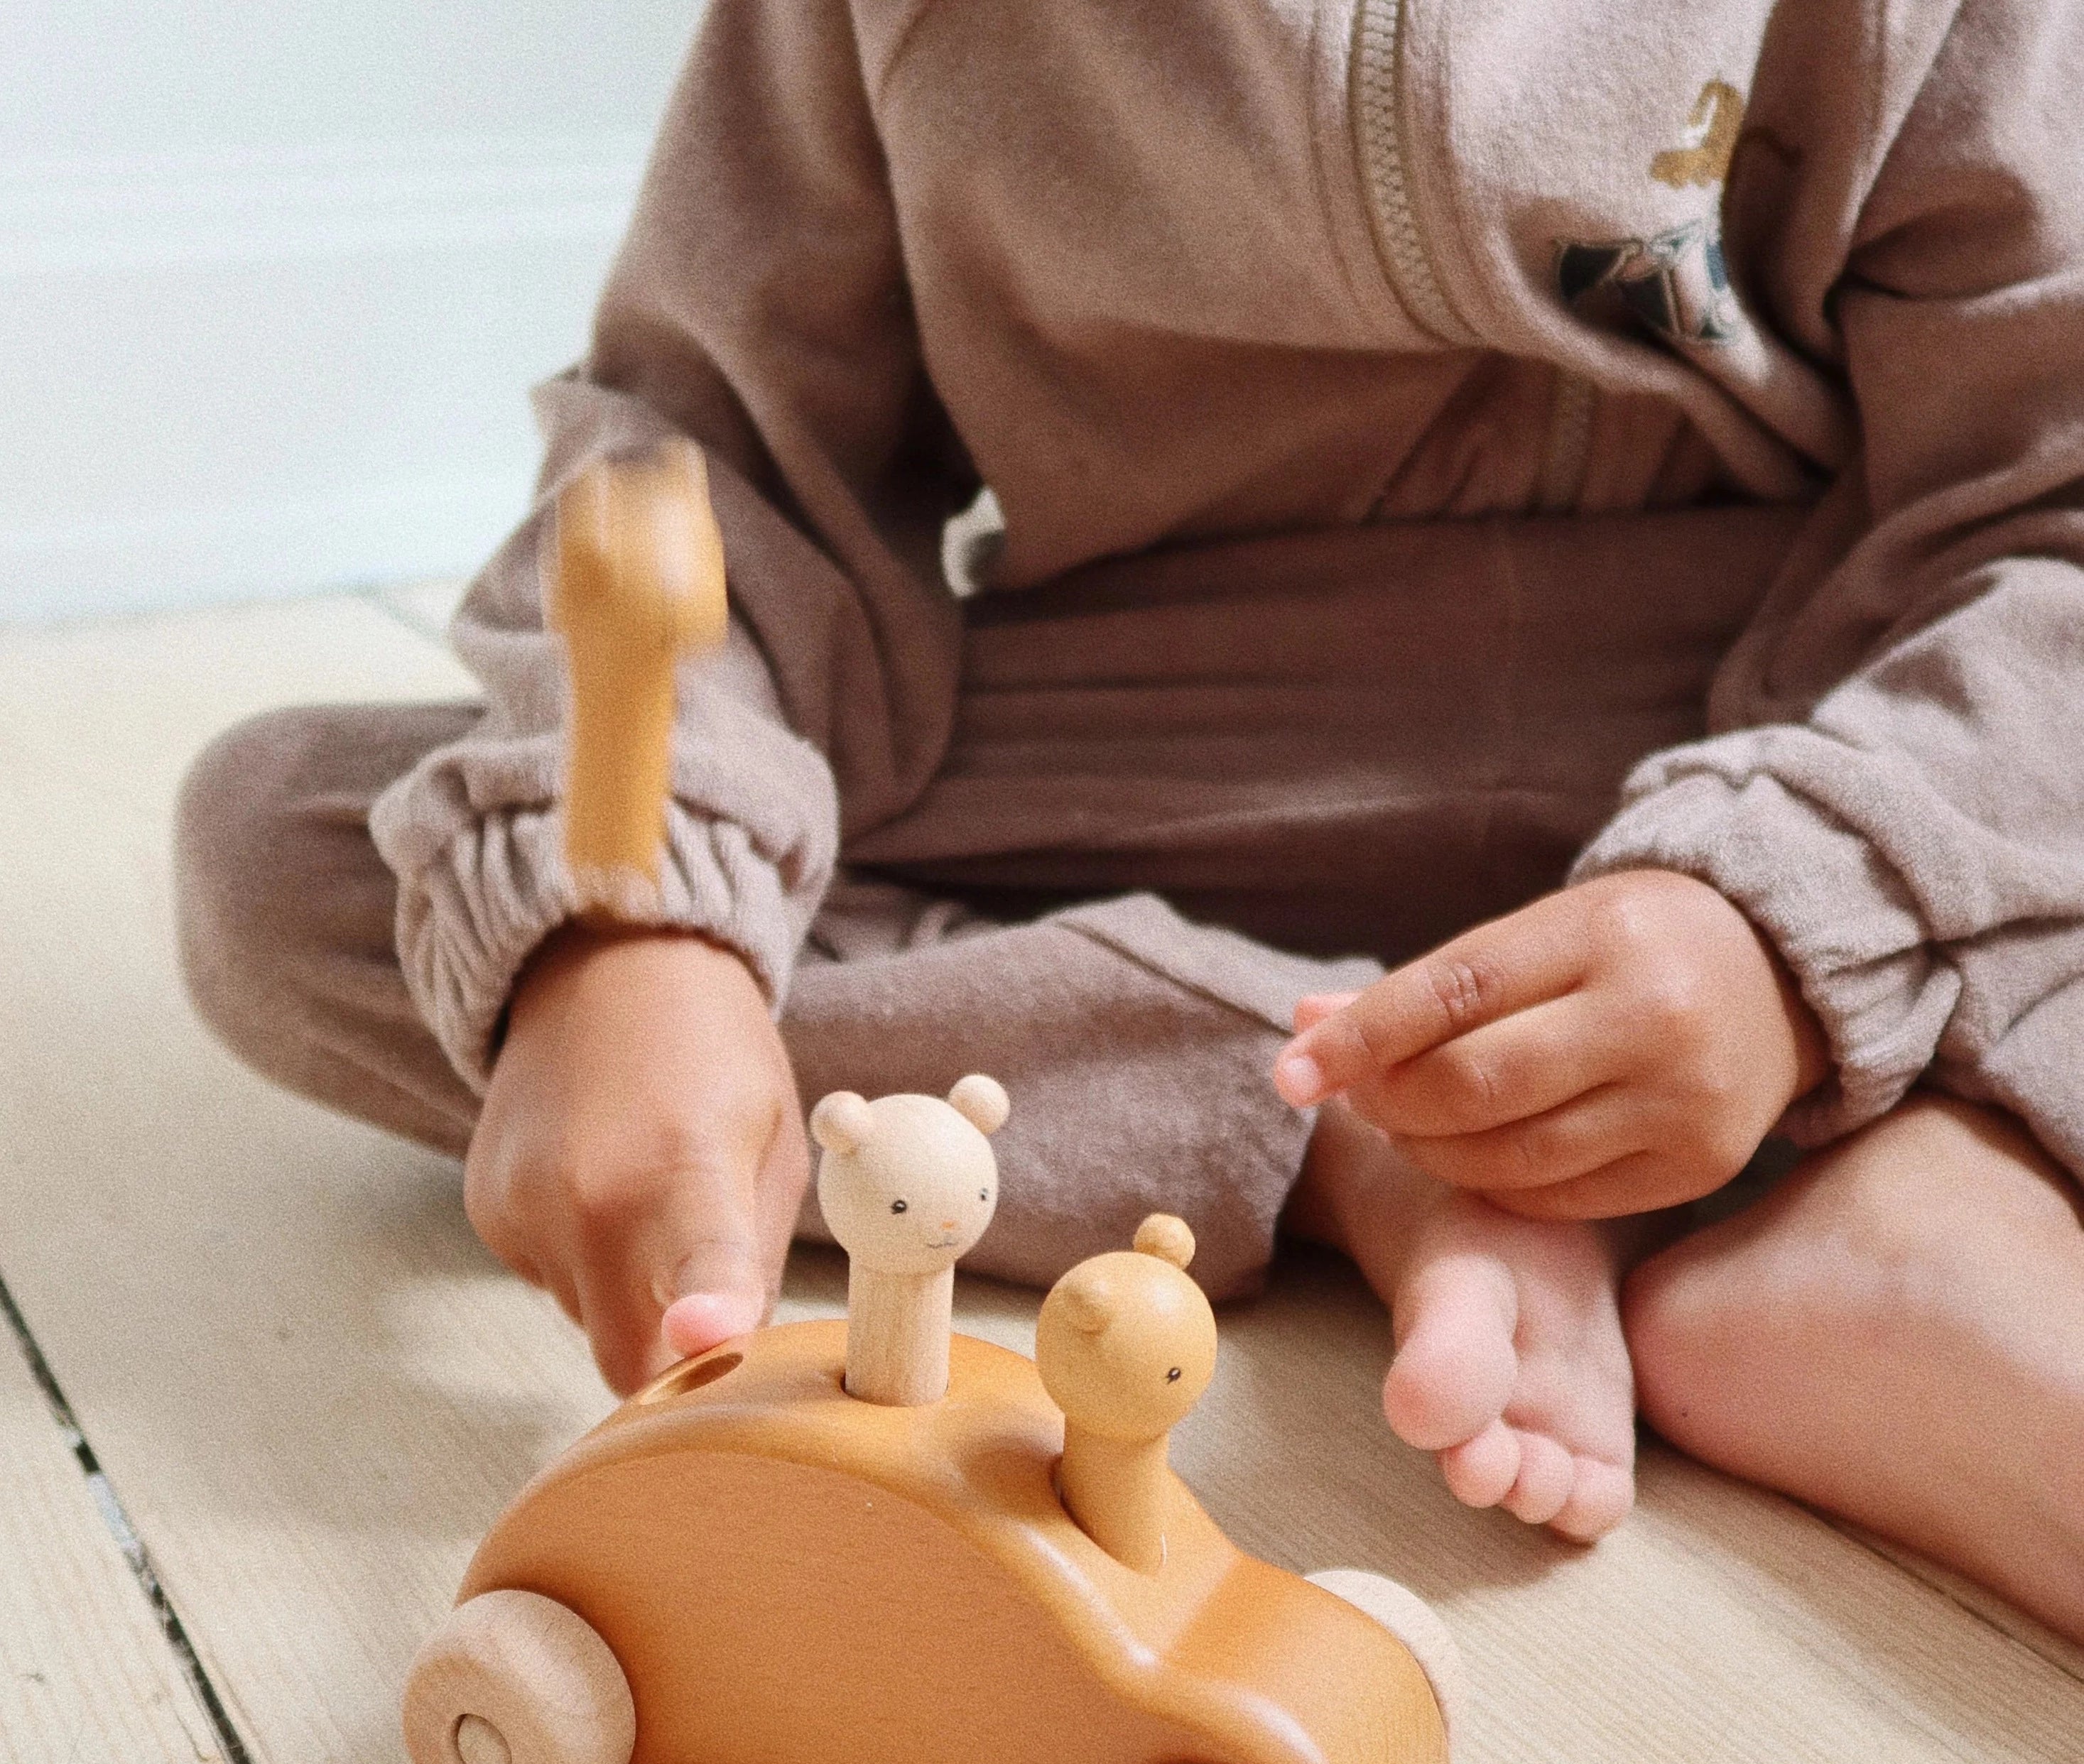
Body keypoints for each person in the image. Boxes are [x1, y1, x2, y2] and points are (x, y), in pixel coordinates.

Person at [175, 0, 2084, 1639]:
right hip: (1179, 727)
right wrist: (630, 928)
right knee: (305, 850)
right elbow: (711, 457)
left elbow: (2046, 517)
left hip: (1793, 706)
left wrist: (1788, 919)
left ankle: (1880, 1201)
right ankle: (1366, 1135)